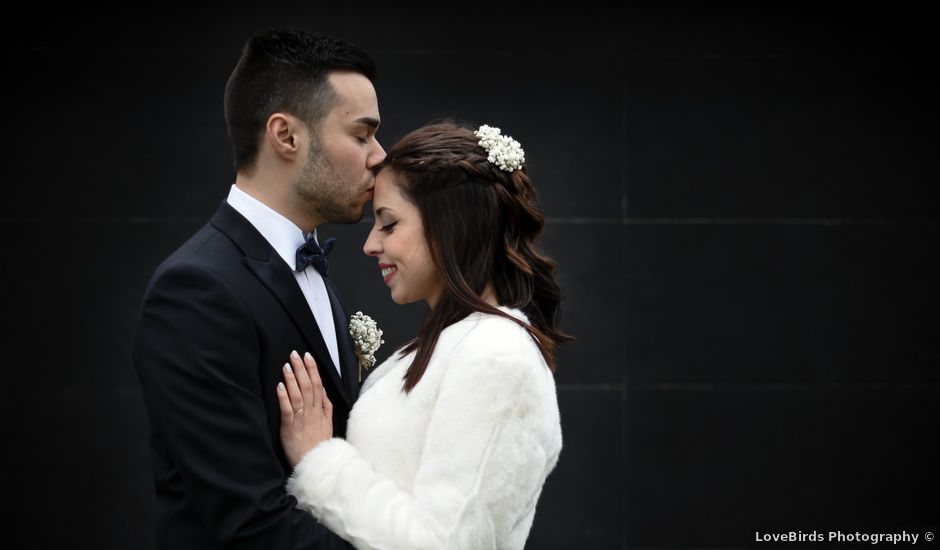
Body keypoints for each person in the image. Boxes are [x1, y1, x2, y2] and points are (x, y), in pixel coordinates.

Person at [132, 28, 385, 549]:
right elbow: (249, 522)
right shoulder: (196, 290)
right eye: (362, 135)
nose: (380, 156)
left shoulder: (307, 263)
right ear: (286, 135)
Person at [275, 121, 571, 549]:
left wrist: (318, 461)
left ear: (452, 224)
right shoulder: (443, 346)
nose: (370, 245)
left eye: (389, 224)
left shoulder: (499, 356)